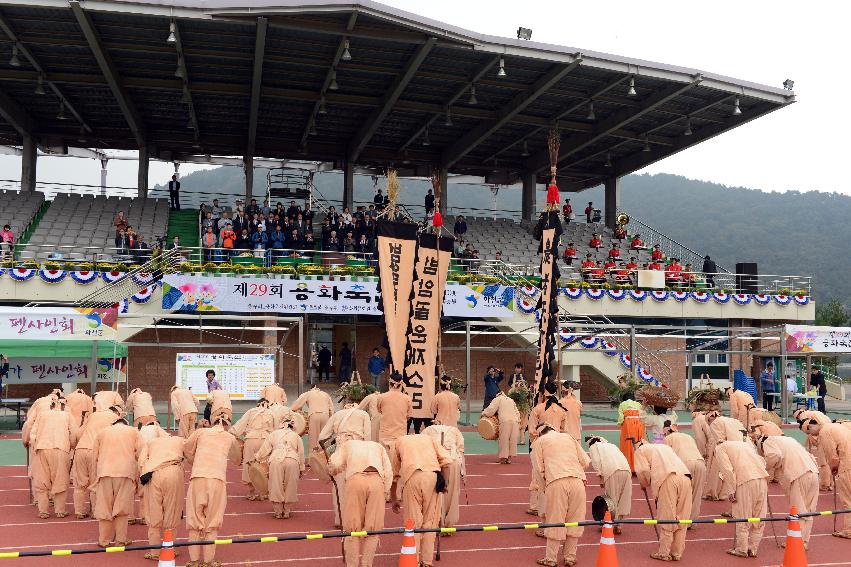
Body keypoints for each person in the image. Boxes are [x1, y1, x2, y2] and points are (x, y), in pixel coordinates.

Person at [183, 415, 242, 566]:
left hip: (197, 478)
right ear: (227, 425)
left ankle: (194, 560)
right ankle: (208, 561)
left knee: (194, 521)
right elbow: (237, 459)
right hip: (217, 480)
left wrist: (195, 460)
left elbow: (186, 448)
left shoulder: (201, 432)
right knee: (212, 521)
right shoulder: (229, 437)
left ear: (212, 422)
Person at [390, 434, 452, 567]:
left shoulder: (398, 441)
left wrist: (394, 498)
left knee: (413, 521)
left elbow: (394, 475)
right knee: (430, 521)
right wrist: (444, 484)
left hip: (412, 477)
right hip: (432, 477)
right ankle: (427, 561)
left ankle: (413, 559)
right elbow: (446, 462)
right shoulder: (429, 438)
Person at [328, 438, 393, 567]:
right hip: (377, 481)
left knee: (352, 527)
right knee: (374, 528)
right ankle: (366, 564)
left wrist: (331, 470)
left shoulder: (347, 444)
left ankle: (352, 565)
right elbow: (389, 471)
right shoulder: (377, 446)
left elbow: (334, 464)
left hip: (355, 480)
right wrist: (385, 491)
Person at [531, 424, 590, 567]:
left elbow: (538, 470)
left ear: (540, 434)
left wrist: (546, 487)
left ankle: (551, 559)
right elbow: (586, 461)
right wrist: (576, 472)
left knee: (555, 520)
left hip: (556, 482)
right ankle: (570, 557)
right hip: (577, 481)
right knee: (575, 520)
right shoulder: (568, 437)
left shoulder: (538, 443)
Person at [634, 441, 692, 562]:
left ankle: (664, 552)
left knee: (667, 516)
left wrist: (644, 483)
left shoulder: (640, 451)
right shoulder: (663, 447)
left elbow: (642, 470)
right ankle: (676, 552)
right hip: (686, 477)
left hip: (668, 479)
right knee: (683, 516)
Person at [92, 412, 144, 547]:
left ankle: (104, 540)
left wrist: (95, 476)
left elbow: (95, 456)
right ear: (126, 423)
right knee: (122, 508)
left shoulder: (103, 432)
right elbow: (141, 454)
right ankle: (120, 540)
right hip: (125, 473)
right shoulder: (134, 432)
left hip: (105, 472)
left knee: (105, 507)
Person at [758, 434, 818, 546]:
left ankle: (796, 542)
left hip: (798, 474)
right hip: (813, 472)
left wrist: (762, 469)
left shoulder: (768, 441)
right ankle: (803, 541)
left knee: (798, 509)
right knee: (808, 510)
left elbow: (774, 455)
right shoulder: (789, 440)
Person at [318, 403, 372, 527]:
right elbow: (368, 437)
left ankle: (340, 520)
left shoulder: (337, 414)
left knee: (339, 486)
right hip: (358, 451)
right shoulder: (364, 414)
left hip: (340, 450)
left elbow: (322, 436)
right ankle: (357, 519)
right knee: (359, 485)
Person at [714, 440, 769, 557]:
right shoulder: (744, 445)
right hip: (762, 478)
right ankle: (753, 548)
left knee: (742, 515)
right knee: (759, 516)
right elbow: (762, 461)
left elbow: (727, 470)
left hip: (745, 481)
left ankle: (742, 549)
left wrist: (731, 491)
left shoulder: (719, 449)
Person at [799, 418, 851, 538]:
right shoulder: (836, 427)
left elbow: (831, 455)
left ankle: (849, 530)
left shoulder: (824, 432)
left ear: (812, 426)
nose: (811, 435)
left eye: (809, 431)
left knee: (848, 499)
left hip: (847, 465)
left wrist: (834, 468)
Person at [138, 431, 184, 558]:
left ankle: (155, 552)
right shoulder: (179, 440)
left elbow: (141, 461)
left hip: (153, 473)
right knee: (172, 511)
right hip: (173, 471)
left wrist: (143, 475)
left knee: (154, 512)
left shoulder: (151, 442)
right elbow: (191, 453)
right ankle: (169, 548)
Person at [28, 399, 78, 519]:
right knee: (60, 480)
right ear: (62, 407)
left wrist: (34, 447)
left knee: (41, 481)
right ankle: (60, 510)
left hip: (41, 449)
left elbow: (33, 433)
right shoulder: (67, 415)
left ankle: (43, 511)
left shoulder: (42, 415)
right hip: (60, 449)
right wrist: (72, 446)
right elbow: (74, 433)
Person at [72, 406, 119, 519]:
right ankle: (95, 511)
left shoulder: (93, 416)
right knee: (95, 484)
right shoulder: (115, 418)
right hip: (96, 450)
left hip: (81, 448)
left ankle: (79, 511)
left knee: (80, 484)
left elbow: (78, 433)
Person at [254, 414, 304, 519]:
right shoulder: (296, 436)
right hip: (292, 460)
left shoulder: (274, 434)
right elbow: (301, 453)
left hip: (276, 460)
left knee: (275, 484)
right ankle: (286, 512)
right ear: (292, 425)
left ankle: (278, 512)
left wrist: (257, 458)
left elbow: (265, 449)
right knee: (291, 485)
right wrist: (301, 468)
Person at [231, 400, 275, 500]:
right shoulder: (271, 413)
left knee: (249, 464)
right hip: (266, 440)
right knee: (265, 465)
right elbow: (276, 429)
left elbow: (239, 427)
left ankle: (251, 492)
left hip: (251, 440)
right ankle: (264, 492)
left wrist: (234, 433)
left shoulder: (251, 411)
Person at [587, 436, 631, 534]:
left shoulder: (594, 447)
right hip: (626, 470)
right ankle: (619, 525)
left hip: (611, 471)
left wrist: (601, 479)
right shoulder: (612, 445)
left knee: (612, 499)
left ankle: (609, 525)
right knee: (623, 498)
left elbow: (596, 462)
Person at [663, 424, 706, 524]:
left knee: (684, 494)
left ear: (666, 432)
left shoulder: (668, 439)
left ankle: (683, 521)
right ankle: (692, 520)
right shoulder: (688, 436)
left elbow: (667, 458)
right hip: (700, 463)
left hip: (685, 464)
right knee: (696, 494)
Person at [290, 385, 334, 454]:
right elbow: (331, 409)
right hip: (325, 415)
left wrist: (291, 411)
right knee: (324, 439)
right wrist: (330, 420)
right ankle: (325, 460)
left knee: (313, 439)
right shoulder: (326, 394)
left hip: (314, 415)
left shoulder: (308, 393)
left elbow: (297, 404)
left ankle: (312, 461)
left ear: (311, 389)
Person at [377, 372, 413, 453]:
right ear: (401, 384)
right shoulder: (407, 398)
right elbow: (408, 416)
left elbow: (379, 410)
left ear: (390, 383)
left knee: (385, 461)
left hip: (385, 434)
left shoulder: (381, 397)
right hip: (400, 434)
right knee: (397, 462)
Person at [482, 391, 520, 464]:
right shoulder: (510, 399)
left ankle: (503, 458)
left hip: (505, 421)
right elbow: (517, 412)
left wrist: (484, 413)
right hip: (515, 421)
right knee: (512, 439)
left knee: (504, 439)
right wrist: (518, 420)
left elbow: (491, 409)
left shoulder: (498, 399)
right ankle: (509, 458)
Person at [617, 391, 645, 472]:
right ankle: (640, 466)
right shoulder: (638, 404)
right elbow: (642, 414)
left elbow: (621, 417)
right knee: (638, 442)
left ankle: (629, 466)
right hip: (638, 423)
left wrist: (619, 423)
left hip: (628, 424)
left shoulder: (622, 404)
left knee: (628, 443)